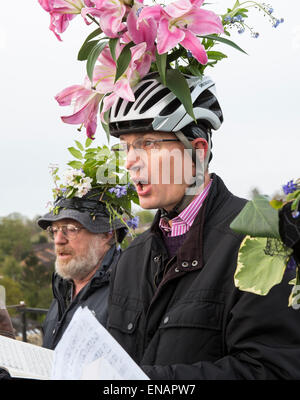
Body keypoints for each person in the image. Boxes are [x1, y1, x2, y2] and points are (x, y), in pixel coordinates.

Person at [105, 73, 300, 380]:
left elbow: (273, 370)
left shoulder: (260, 241)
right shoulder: (130, 259)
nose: (130, 161)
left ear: (197, 152)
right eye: (126, 147)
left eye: (147, 143)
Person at [37, 189, 127, 350]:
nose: (58, 240)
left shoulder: (127, 290)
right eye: (55, 230)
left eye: (71, 229)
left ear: (107, 234)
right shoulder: (62, 287)